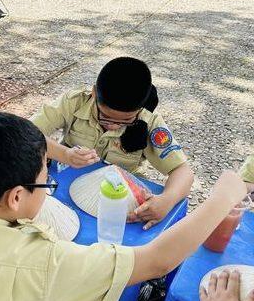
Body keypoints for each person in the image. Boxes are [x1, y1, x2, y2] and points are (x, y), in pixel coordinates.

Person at [0, 112, 247, 301]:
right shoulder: (52, 264)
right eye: (44, 178)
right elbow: (158, 260)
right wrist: (222, 197)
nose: (47, 182)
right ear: (17, 198)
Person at [30, 57, 194, 229]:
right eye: (106, 117)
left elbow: (183, 172)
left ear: (140, 108)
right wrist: (64, 154)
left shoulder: (150, 121)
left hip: (118, 196)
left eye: (126, 121)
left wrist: (166, 201)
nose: (114, 125)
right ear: (94, 93)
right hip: (66, 183)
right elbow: (25, 132)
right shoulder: (74, 102)